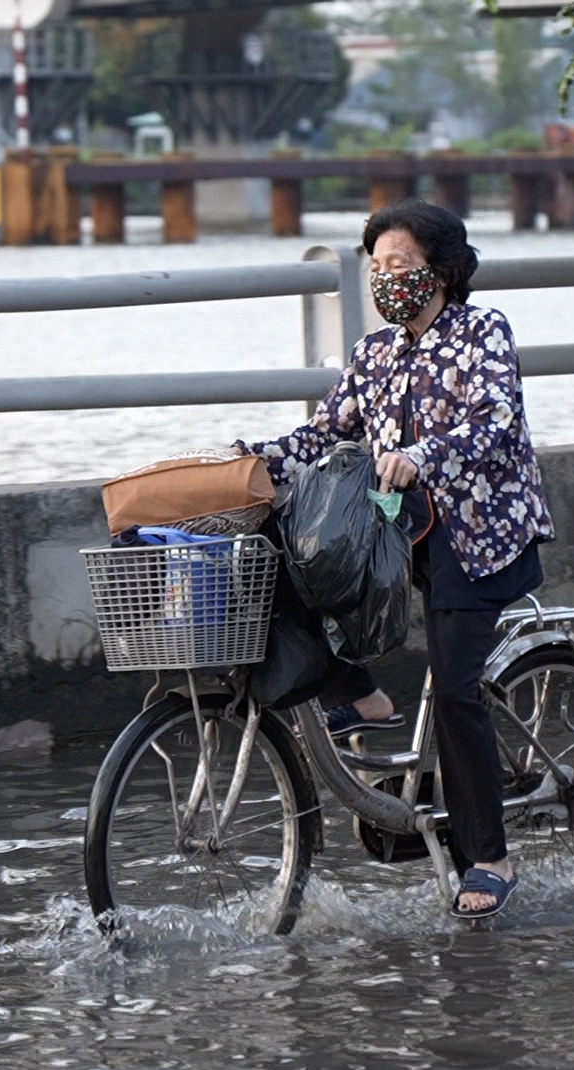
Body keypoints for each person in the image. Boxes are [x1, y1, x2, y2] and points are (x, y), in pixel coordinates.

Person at [236, 198, 556, 916]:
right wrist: (250, 461)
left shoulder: (483, 332)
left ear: (439, 270)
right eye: (376, 267)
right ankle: (357, 691)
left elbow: (493, 423)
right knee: (286, 569)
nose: (387, 280)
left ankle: (491, 859)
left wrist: (420, 455)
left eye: (401, 266)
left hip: (478, 537)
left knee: (455, 691)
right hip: (394, 534)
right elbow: (324, 433)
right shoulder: (374, 352)